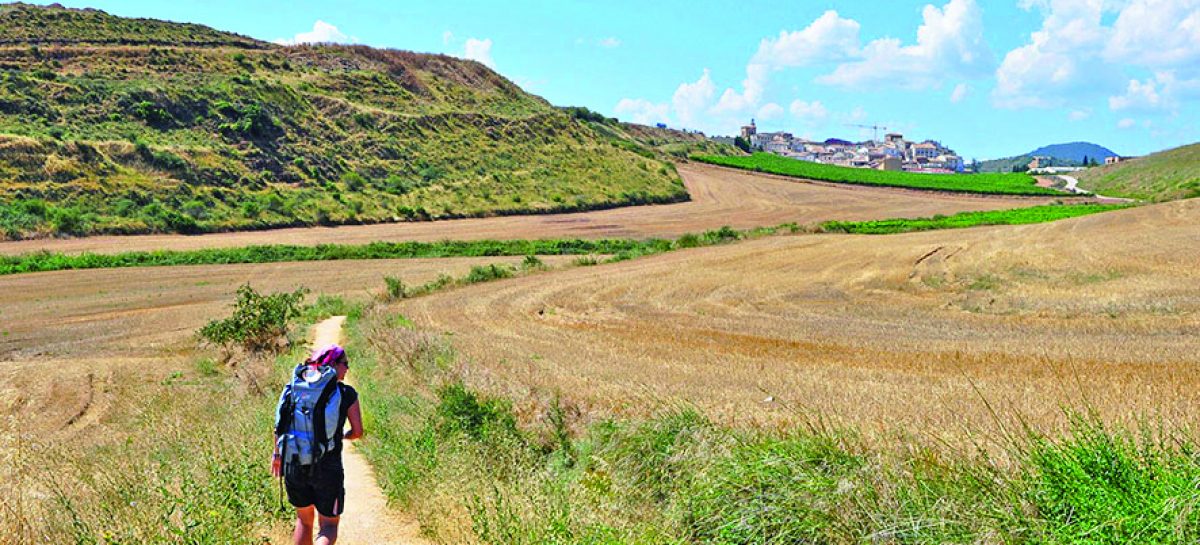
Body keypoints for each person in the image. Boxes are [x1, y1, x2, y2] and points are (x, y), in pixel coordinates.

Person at [272, 345, 363, 545]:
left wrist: (277, 455)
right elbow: (358, 432)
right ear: (332, 365)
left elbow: (279, 426)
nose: (347, 369)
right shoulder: (346, 394)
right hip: (327, 467)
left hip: (294, 462)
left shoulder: (294, 388)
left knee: (304, 521)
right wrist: (342, 436)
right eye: (344, 364)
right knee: (329, 526)